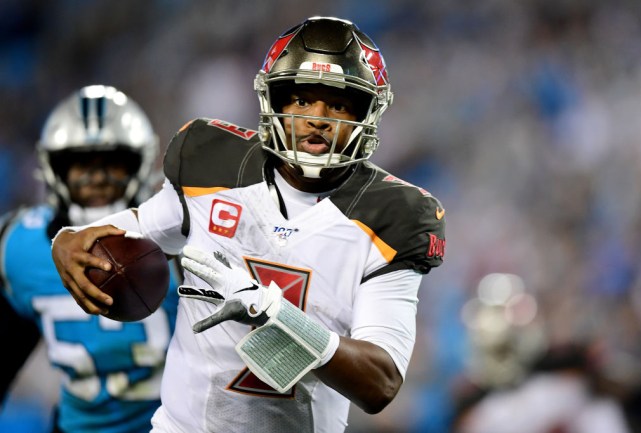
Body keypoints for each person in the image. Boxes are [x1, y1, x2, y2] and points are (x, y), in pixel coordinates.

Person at [51, 17, 446, 433]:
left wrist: (269, 310)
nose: (317, 118)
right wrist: (67, 241)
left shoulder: (396, 215)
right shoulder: (213, 162)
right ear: (274, 101)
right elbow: (134, 231)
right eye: (301, 100)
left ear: (368, 112)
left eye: (338, 104)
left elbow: (380, 382)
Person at [0, 85, 181, 433]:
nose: (97, 178)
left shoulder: (179, 235)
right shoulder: (19, 247)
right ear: (55, 170)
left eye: (113, 162)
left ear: (140, 165)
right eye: (81, 163)